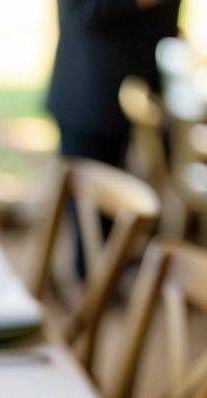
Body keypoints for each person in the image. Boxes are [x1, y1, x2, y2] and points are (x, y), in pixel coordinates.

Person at [47, 0, 180, 274]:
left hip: (144, 97)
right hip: (90, 94)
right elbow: (87, 10)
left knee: (131, 212)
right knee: (92, 223)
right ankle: (97, 287)